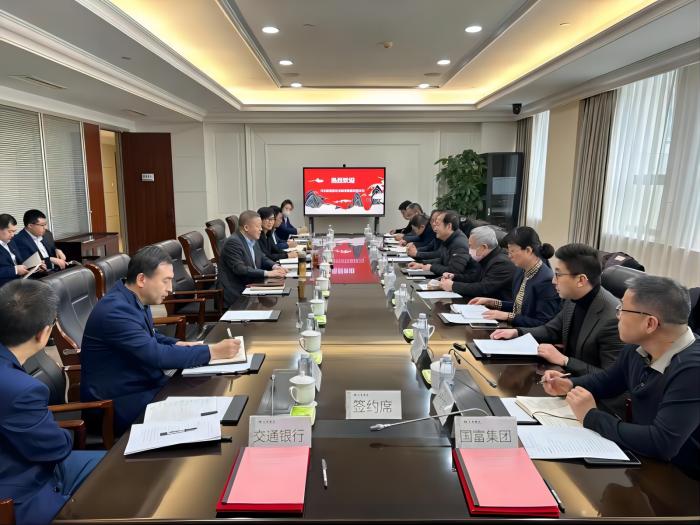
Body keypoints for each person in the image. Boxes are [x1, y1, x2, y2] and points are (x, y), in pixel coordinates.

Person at [541, 275, 700, 478]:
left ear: (650, 324)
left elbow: (662, 442)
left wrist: (591, 416)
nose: (617, 316)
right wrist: (569, 383)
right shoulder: (638, 347)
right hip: (643, 461)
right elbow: (608, 381)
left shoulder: (692, 370)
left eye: (622, 309)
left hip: (681, 480)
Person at [81, 246, 241, 434]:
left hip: (143, 384)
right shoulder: (115, 312)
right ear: (142, 279)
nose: (170, 289)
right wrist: (213, 351)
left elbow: (150, 335)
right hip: (118, 403)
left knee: (206, 391)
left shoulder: (133, 297)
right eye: (165, 281)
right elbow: (157, 356)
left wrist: (176, 343)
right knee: (201, 412)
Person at [0, 280, 105, 525]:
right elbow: (55, 448)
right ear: (44, 333)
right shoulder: (21, 389)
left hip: (18, 460)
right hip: (18, 493)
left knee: (112, 463)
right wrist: (61, 433)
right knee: (114, 484)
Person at [491, 243, 624, 375]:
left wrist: (565, 360)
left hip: (585, 385)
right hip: (562, 376)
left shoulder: (612, 319)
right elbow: (551, 330)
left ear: (581, 280)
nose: (553, 281)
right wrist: (517, 332)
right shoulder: (574, 297)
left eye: (558, 274)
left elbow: (611, 377)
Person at [470, 226, 559, 327]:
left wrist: (507, 316)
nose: (509, 255)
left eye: (512, 251)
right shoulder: (521, 270)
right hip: (516, 328)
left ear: (528, 250)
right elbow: (519, 306)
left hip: (529, 334)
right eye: (508, 251)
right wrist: (491, 302)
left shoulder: (546, 280)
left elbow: (543, 323)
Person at [217, 210, 287, 307]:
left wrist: (275, 266)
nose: (261, 229)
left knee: (278, 300)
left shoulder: (252, 238)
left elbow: (262, 257)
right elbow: (240, 269)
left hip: (252, 285)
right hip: (237, 293)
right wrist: (268, 273)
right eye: (258, 226)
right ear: (246, 227)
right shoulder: (233, 242)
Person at [439, 226, 515, 302]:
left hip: (500, 306)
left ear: (483, 247)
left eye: (470, 246)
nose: (469, 249)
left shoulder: (501, 263)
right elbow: (474, 278)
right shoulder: (485, 258)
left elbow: (484, 288)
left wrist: (453, 286)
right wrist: (454, 277)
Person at [407, 211, 476, 277]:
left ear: (449, 226)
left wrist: (431, 267)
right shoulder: (448, 238)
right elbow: (442, 260)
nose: (434, 227)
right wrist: (422, 264)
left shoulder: (459, 244)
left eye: (437, 224)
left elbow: (454, 271)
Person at [0, 213, 32, 287]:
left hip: (22, 280)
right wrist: (15, 270)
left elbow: (19, 261)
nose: (12, 235)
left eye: (14, 231)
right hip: (5, 286)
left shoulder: (11, 241)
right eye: (9, 231)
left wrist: (34, 266)